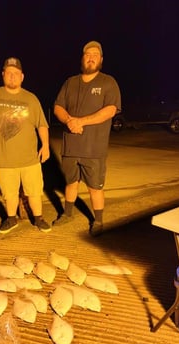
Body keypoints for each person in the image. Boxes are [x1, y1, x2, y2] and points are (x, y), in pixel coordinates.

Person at [0, 57, 51, 234]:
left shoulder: (31, 99)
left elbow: (42, 124)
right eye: (9, 73)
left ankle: (38, 219)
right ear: (3, 75)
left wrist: (45, 145)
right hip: (4, 159)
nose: (12, 76)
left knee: (34, 192)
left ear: (22, 77)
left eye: (16, 73)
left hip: (30, 159)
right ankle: (11, 219)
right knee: (9, 194)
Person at [53, 41, 121, 236]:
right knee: (70, 183)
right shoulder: (70, 82)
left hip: (94, 148)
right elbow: (58, 106)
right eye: (87, 54)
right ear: (82, 58)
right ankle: (67, 214)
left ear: (101, 59)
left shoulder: (108, 82)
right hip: (71, 146)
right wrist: (69, 120)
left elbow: (110, 110)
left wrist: (81, 121)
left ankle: (98, 221)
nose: (91, 57)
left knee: (95, 187)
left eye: (95, 54)